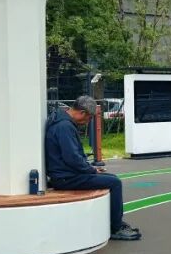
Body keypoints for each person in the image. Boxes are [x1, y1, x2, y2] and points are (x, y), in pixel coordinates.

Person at [46, 96, 141, 241]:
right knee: (115, 183)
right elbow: (72, 158)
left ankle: (116, 222)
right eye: (89, 118)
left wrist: (90, 168)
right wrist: (91, 170)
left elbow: (72, 157)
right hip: (65, 178)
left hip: (64, 174)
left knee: (112, 178)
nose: (88, 121)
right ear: (82, 113)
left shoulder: (61, 122)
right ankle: (116, 228)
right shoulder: (64, 127)